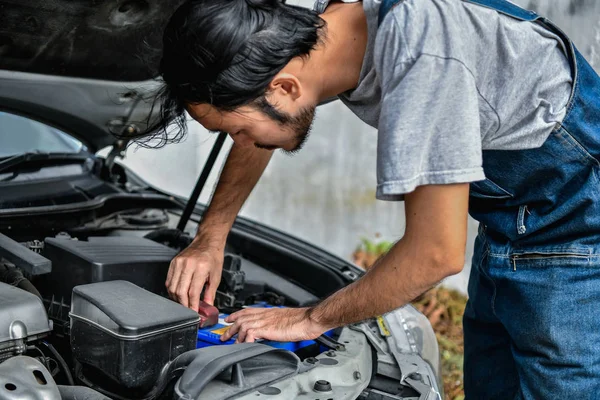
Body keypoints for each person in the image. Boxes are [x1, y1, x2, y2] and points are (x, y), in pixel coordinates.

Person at [139, 0, 600, 397]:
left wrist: (311, 319)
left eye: (236, 129)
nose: (244, 141)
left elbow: (435, 254)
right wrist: (211, 236)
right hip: (509, 217)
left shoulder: (422, 61)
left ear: (284, 87)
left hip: (573, 225)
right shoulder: (311, 24)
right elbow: (261, 124)